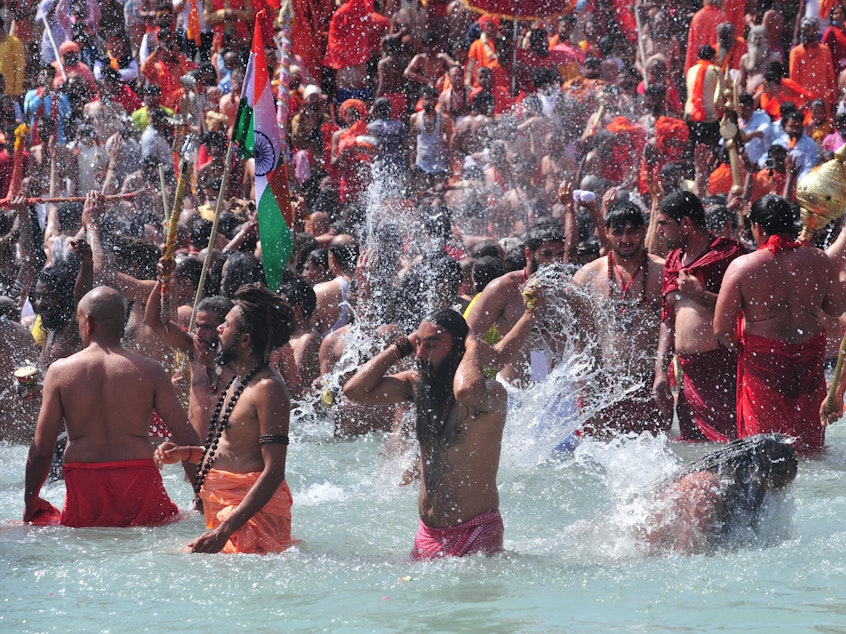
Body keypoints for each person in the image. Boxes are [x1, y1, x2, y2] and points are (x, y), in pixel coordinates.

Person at [343, 308, 534, 559]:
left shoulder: (491, 394)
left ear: (458, 350)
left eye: (432, 345)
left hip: (474, 533)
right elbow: (354, 391)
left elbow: (465, 391)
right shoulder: (416, 386)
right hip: (427, 534)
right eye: (419, 344)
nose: (421, 354)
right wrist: (401, 347)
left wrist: (473, 347)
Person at [23, 286, 200, 526]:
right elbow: (186, 436)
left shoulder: (59, 372)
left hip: (84, 480)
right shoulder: (151, 371)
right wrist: (201, 495)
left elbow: (41, 451)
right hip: (140, 478)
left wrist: (30, 502)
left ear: (87, 323)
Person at [154, 284, 299, 554]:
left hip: (252, 522)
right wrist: (184, 453)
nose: (219, 329)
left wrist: (224, 530)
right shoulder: (238, 381)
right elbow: (233, 453)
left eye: (226, 325)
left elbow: (273, 472)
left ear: (244, 340)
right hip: (228, 517)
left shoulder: (268, 388)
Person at [714, 195, 845, 453]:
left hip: (763, 365)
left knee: (763, 451)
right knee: (808, 450)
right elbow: (836, 308)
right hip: (808, 361)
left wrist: (740, 346)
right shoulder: (819, 260)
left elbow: (721, 330)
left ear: (757, 228)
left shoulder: (742, 267)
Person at [653, 190, 746, 442]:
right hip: (688, 378)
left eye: (663, 224)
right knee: (693, 451)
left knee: (730, 447)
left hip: (724, 372)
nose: (659, 231)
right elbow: (667, 320)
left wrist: (700, 294)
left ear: (686, 223)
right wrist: (660, 371)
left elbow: (748, 310)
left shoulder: (729, 255)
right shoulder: (673, 260)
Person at [572, 201, 669, 436]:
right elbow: (581, 338)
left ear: (643, 230)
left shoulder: (663, 272)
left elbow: (671, 325)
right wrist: (585, 385)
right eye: (618, 232)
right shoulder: (587, 276)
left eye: (632, 231)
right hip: (602, 386)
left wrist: (661, 372)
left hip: (648, 384)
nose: (625, 239)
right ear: (606, 233)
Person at [643, 434, 798, 555]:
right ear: (754, 473)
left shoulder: (746, 487)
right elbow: (685, 559)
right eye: (774, 486)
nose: (774, 494)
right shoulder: (703, 491)